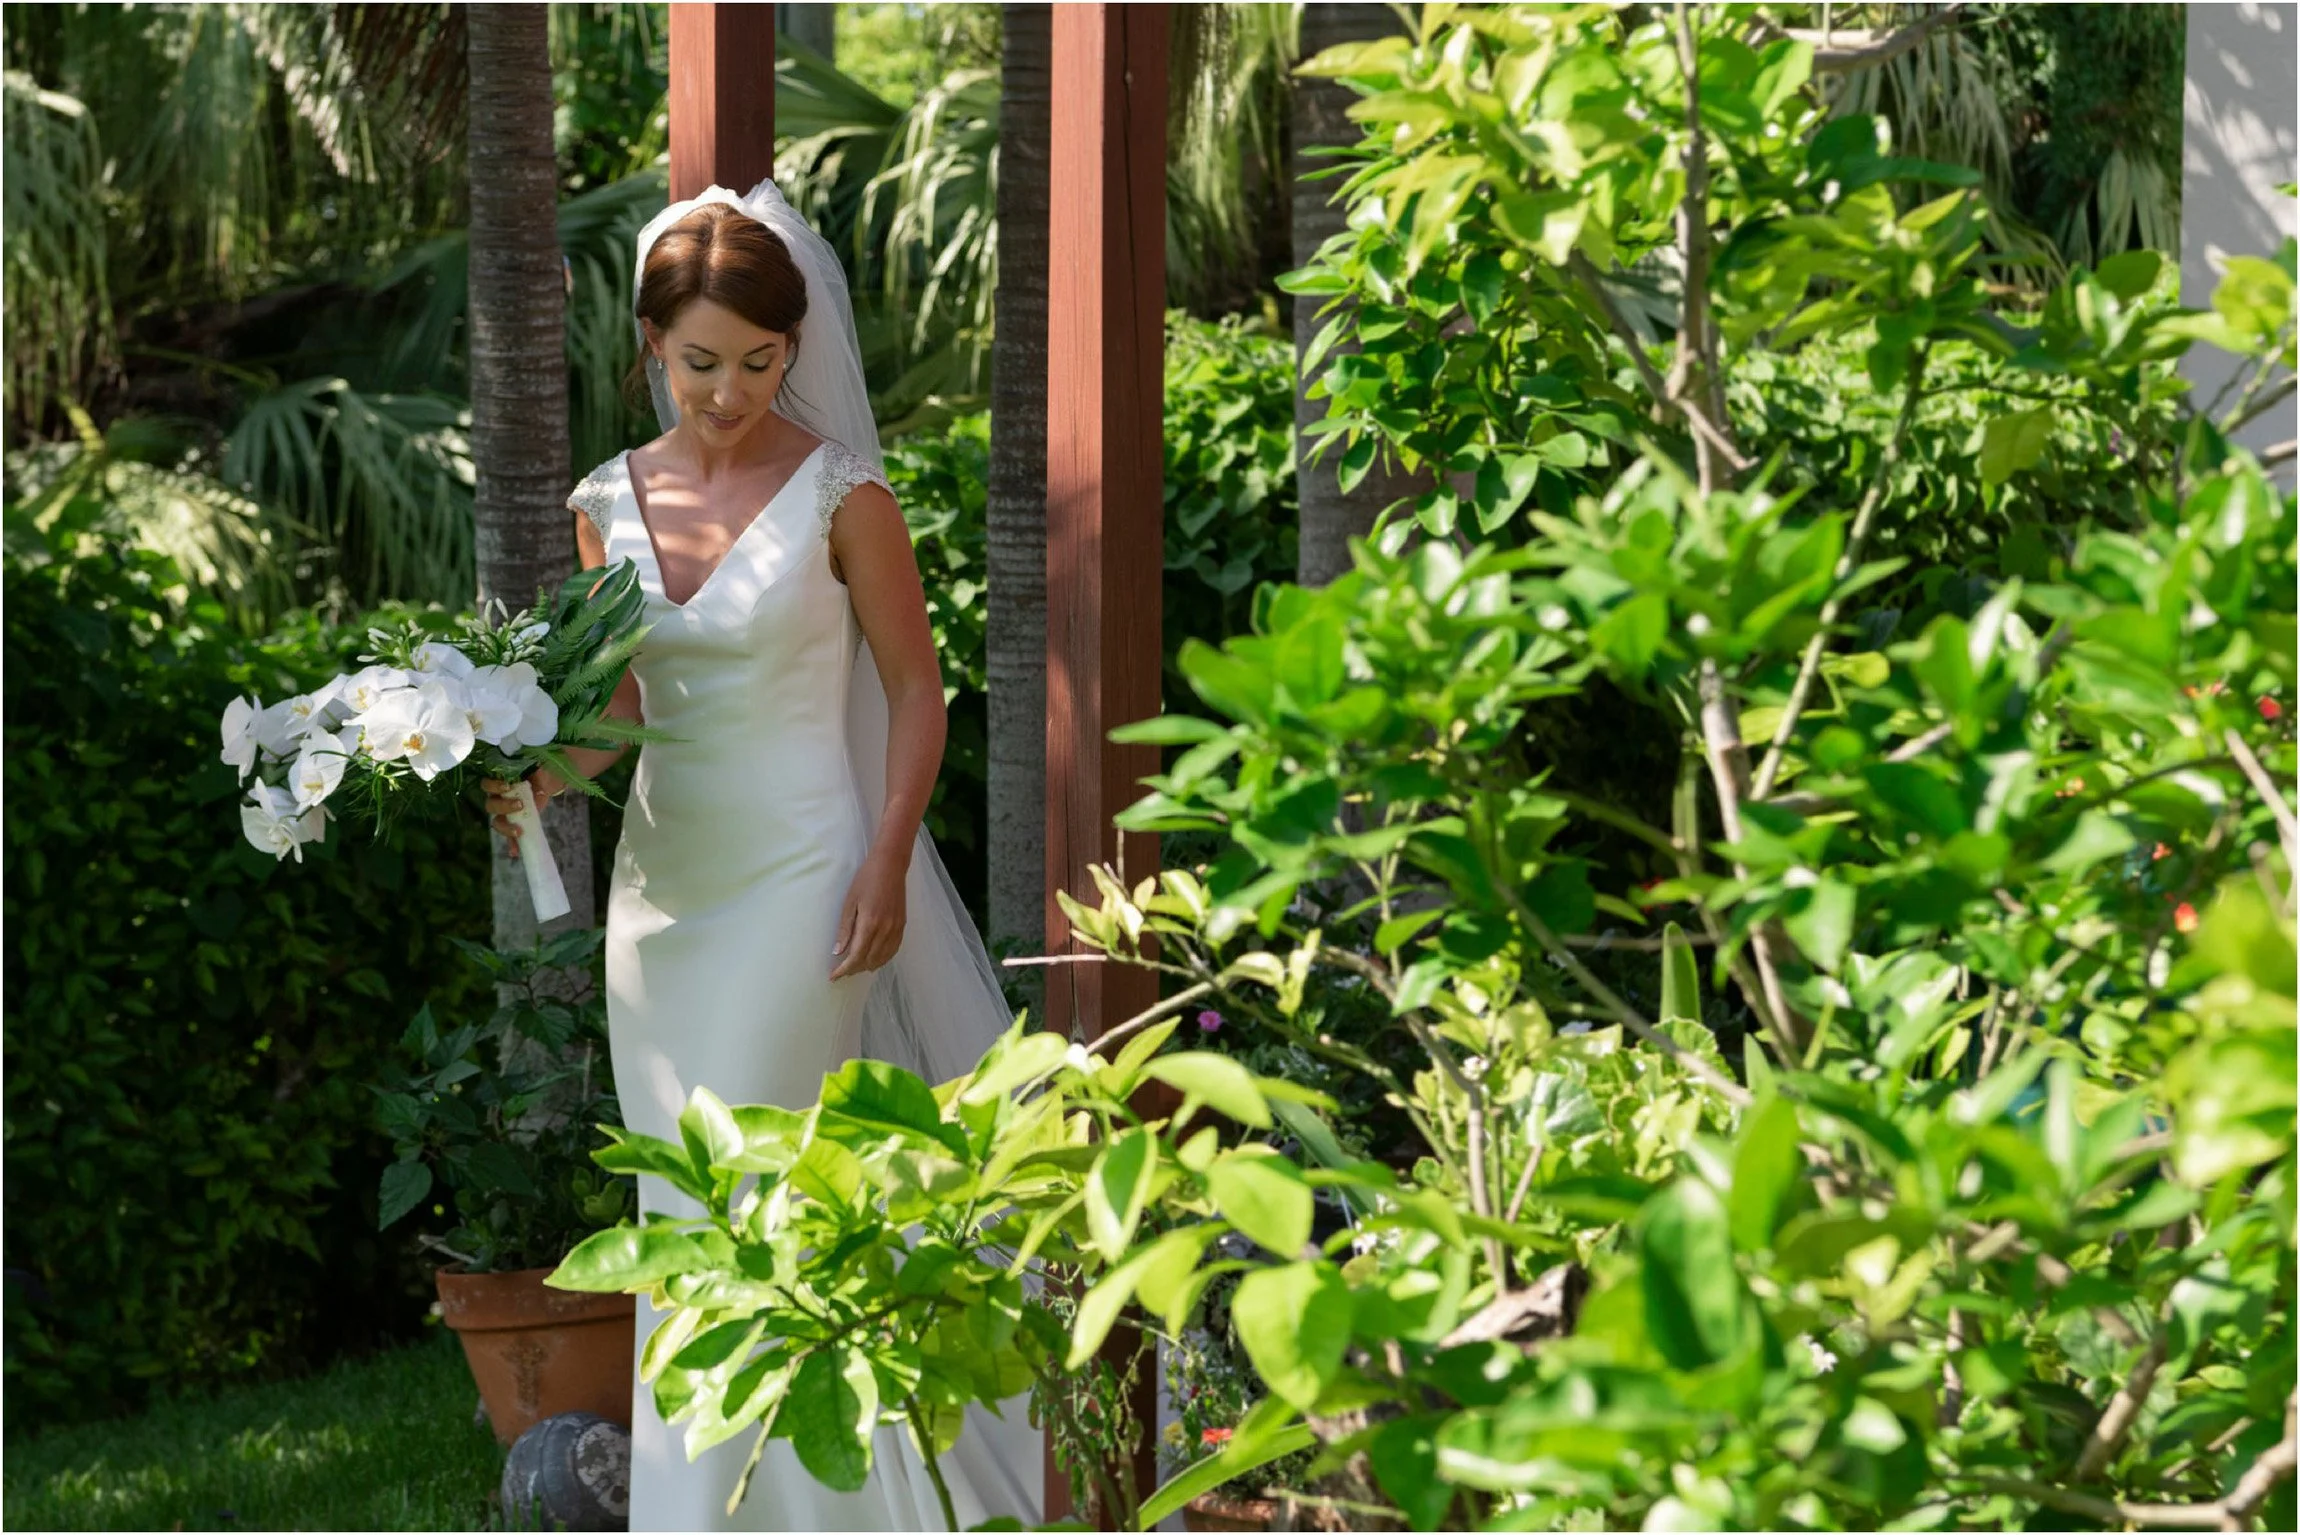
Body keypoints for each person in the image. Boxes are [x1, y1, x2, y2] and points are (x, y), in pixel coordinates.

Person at [481, 178, 1040, 1532]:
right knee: (685, 1211)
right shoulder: (605, 500)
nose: (729, 391)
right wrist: (524, 774)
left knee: (786, 1191)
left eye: (760, 361)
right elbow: (621, 715)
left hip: (808, 878)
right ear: (650, 348)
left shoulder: (847, 493)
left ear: (796, 352)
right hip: (663, 908)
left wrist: (886, 860)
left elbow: (918, 691)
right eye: (698, 362)